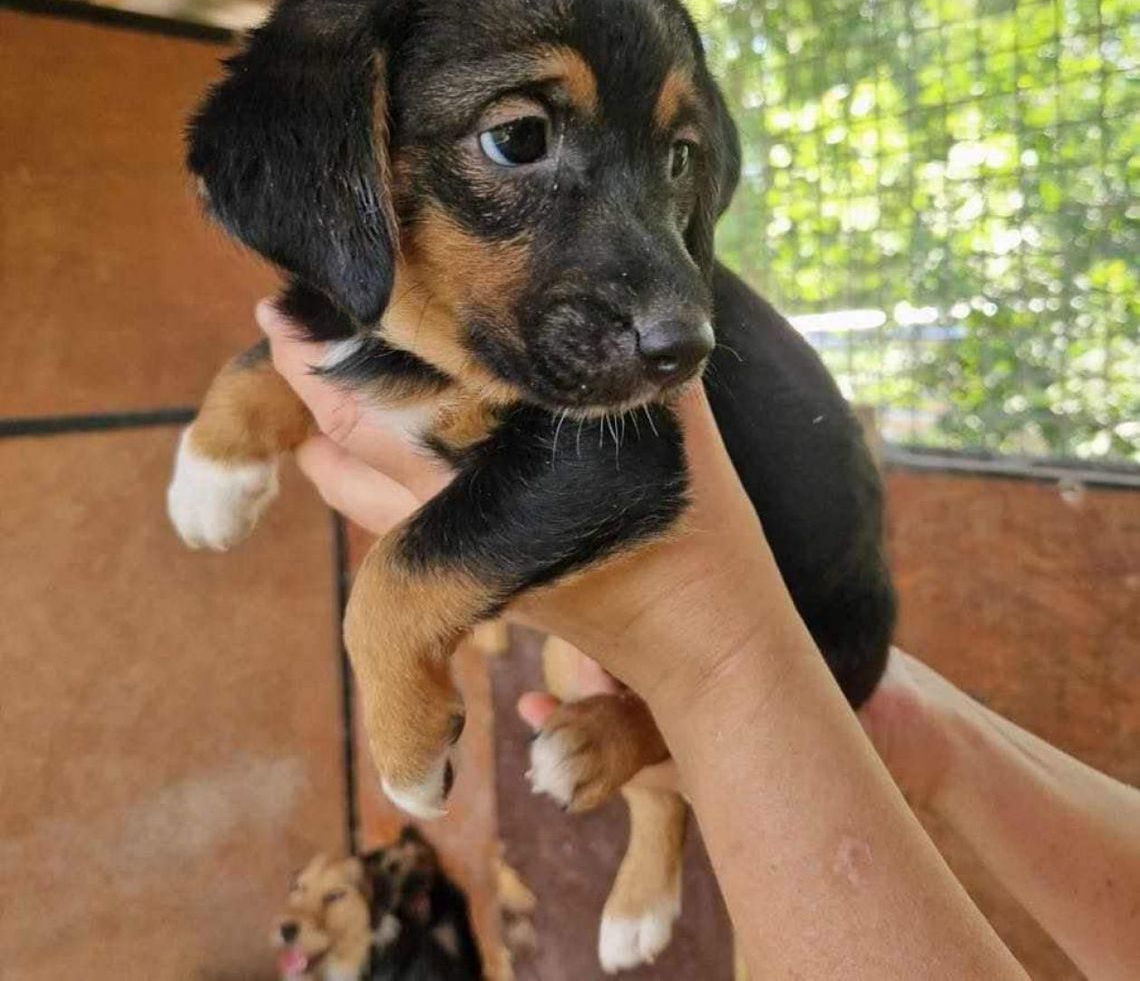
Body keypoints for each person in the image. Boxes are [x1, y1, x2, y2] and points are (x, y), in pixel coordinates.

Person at [256, 301, 1140, 981]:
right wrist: (923, 732)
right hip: (828, 630)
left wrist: (712, 667)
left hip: (792, 582)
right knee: (581, 682)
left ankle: (658, 810)